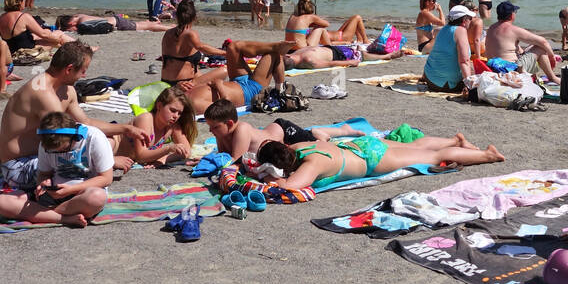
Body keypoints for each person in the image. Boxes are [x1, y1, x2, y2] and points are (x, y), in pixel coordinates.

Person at [0, 41, 150, 181]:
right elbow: (68, 140)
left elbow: (85, 121)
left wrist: (124, 129)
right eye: (82, 70)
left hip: (31, 152)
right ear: (69, 69)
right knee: (91, 171)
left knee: (105, 145)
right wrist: (108, 161)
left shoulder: (66, 89)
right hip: (18, 165)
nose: (85, 74)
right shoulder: (43, 94)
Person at [251, 130, 505, 191]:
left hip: (371, 158)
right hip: (359, 145)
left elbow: (289, 187)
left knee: (433, 157)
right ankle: (454, 140)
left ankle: (487, 155)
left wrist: (264, 175)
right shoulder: (299, 147)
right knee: (412, 147)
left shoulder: (311, 166)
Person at [0, 112, 114, 228]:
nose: (58, 153)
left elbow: (106, 178)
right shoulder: (46, 144)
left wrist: (72, 189)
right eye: (53, 151)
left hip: (82, 195)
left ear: (74, 137)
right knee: (1, 202)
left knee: (97, 197)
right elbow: (44, 174)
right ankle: (63, 218)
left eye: (63, 149)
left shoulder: (94, 138)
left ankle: (43, 214)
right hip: (53, 195)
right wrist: (44, 183)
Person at [202, 98, 366, 168]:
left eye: (214, 127)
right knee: (310, 138)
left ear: (229, 123)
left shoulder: (241, 128)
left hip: (283, 132)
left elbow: (236, 159)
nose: (211, 131)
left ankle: (342, 130)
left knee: (317, 144)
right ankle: (320, 132)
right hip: (273, 137)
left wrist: (211, 163)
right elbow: (223, 155)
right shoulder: (221, 134)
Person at [184, 38, 293, 112]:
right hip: (250, 91)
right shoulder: (194, 104)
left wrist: (194, 82)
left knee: (233, 47)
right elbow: (225, 108)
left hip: (237, 81)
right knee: (274, 54)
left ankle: (276, 46)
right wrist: (219, 85)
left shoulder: (184, 93)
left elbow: (220, 73)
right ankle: (281, 91)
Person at [113, 84, 197, 170]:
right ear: (159, 106)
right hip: (110, 147)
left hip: (122, 157)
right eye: (173, 110)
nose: (176, 116)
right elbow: (141, 156)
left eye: (179, 113)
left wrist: (163, 159)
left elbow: (186, 151)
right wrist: (168, 149)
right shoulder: (146, 119)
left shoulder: (172, 126)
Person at [484, 2, 561, 83]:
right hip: (510, 70)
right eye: (515, 12)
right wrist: (551, 56)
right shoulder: (513, 29)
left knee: (529, 48)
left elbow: (509, 48)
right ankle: (552, 78)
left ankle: (534, 79)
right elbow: (543, 42)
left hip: (494, 68)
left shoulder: (491, 28)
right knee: (539, 48)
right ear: (511, 15)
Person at [160, 0, 226, 89]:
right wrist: (225, 53)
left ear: (177, 16)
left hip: (165, 82)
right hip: (182, 84)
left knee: (199, 73)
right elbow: (201, 47)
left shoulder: (168, 33)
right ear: (194, 17)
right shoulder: (190, 33)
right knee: (224, 70)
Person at [423, 4, 478, 91]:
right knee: (477, 74)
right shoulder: (460, 31)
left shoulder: (443, 29)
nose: (471, 21)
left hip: (429, 77)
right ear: (464, 20)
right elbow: (464, 61)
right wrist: (469, 86)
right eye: (470, 19)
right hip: (444, 84)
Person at [0, 0, 75, 52]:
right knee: (58, 34)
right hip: (27, 51)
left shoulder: (1, 17)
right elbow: (44, 34)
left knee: (43, 36)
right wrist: (56, 38)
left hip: (12, 50)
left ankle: (72, 49)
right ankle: (79, 47)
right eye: (24, 0)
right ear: (20, 2)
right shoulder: (23, 16)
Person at [55, 13, 173, 34]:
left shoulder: (81, 22)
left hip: (118, 23)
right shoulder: (79, 16)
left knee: (146, 27)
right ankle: (157, 22)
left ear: (71, 23)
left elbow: (92, 28)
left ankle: (169, 28)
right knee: (140, 24)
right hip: (116, 20)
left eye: (67, 27)